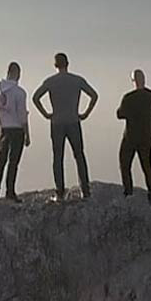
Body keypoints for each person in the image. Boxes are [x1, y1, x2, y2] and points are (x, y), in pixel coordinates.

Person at [32, 52, 98, 200]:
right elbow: (94, 95)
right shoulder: (77, 80)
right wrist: (86, 113)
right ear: (67, 64)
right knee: (79, 155)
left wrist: (46, 113)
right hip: (74, 121)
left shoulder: (50, 81)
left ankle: (60, 192)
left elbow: (35, 97)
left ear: (55, 65)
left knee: (58, 157)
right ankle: (85, 191)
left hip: (56, 123)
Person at [0, 62, 30, 202]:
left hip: (3, 128)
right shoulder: (19, 92)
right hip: (17, 129)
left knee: (1, 160)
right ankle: (10, 192)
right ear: (17, 74)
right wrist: (27, 134)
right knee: (13, 161)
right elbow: (22, 115)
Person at [116, 69, 151, 204]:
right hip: (146, 135)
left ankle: (128, 192)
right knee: (147, 165)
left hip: (131, 136)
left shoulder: (129, 97)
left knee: (125, 163)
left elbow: (120, 113)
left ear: (133, 81)